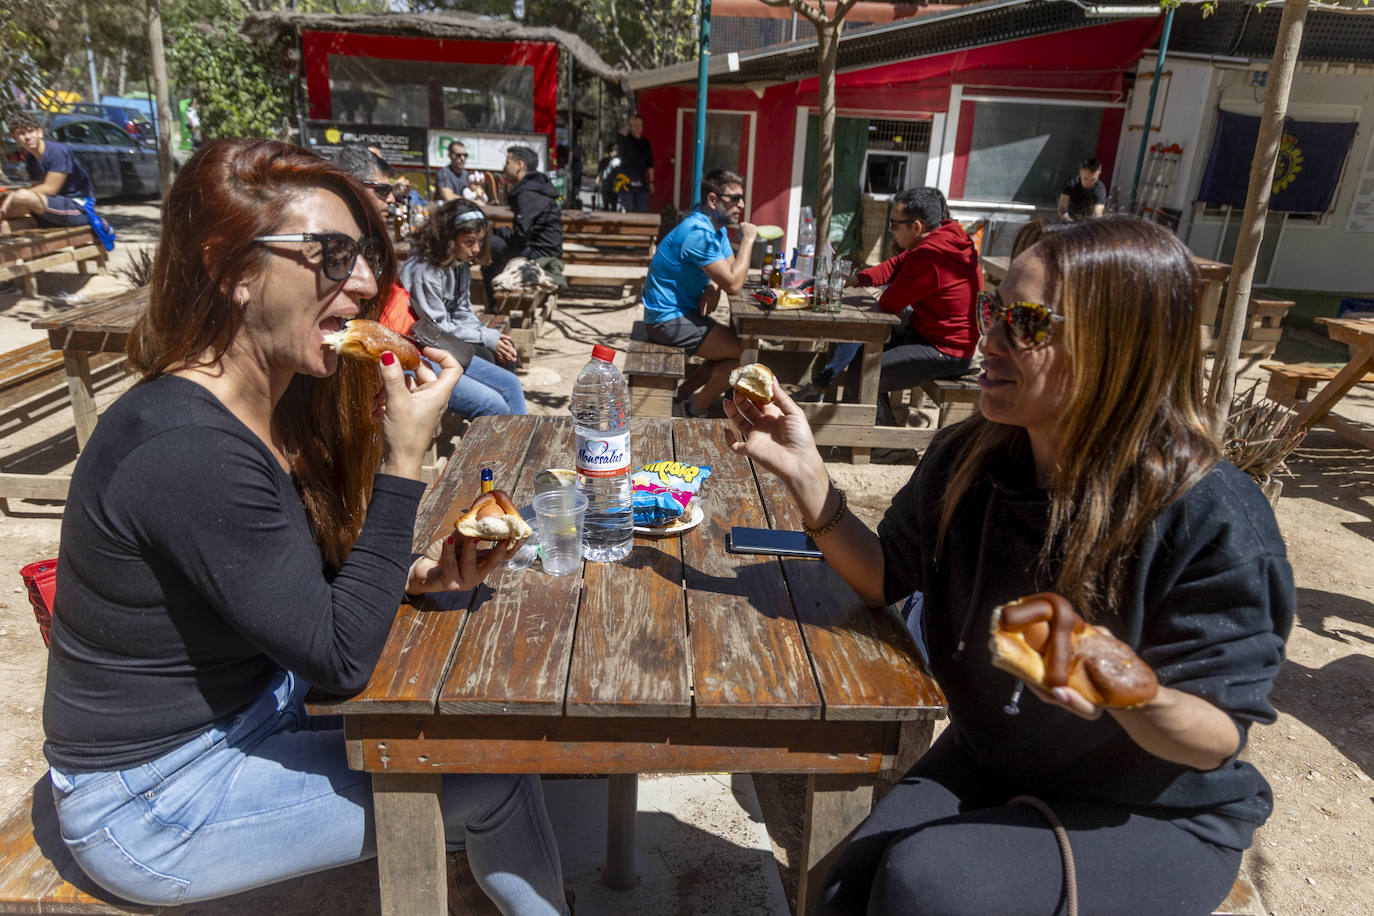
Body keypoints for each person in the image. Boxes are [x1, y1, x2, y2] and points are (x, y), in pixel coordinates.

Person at [41, 138, 567, 913]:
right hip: (155, 798)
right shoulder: (186, 447)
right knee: (494, 775)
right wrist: (403, 459)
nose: (360, 285)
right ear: (231, 268)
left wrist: (414, 570)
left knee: (472, 717)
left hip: (257, 704)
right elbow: (340, 657)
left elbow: (296, 590)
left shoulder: (270, 406)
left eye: (362, 258)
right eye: (328, 256)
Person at [724, 216, 1294, 915]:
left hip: (1152, 811)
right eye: (996, 310)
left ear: (1119, 343)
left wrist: (1131, 690)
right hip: (994, 759)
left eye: (1026, 322)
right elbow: (882, 577)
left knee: (927, 886)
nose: (987, 339)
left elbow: (1215, 741)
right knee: (839, 893)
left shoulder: (1210, 514)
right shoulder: (971, 458)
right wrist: (807, 476)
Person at [797, 187, 981, 414]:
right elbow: (895, 265)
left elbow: (888, 303)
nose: (890, 231)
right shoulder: (947, 234)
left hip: (945, 351)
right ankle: (832, 395)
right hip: (932, 336)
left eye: (894, 225)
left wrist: (867, 287)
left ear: (916, 227)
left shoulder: (931, 255)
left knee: (863, 374)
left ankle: (884, 447)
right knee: (861, 352)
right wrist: (853, 280)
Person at [641, 168, 756, 418]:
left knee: (735, 350)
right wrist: (747, 240)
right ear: (713, 200)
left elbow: (729, 270)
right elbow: (735, 284)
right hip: (666, 320)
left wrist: (713, 285)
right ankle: (696, 408)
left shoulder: (715, 228)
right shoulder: (698, 233)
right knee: (746, 354)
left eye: (742, 198)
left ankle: (684, 396)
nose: (742, 205)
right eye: (734, 198)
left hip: (679, 313)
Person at [399, 199, 527, 418]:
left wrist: (488, 334)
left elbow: (462, 311)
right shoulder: (424, 271)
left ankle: (520, 441)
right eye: (469, 242)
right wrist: (486, 338)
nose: (476, 249)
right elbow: (435, 329)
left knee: (507, 368)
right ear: (449, 238)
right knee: (489, 364)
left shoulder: (458, 263)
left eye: (479, 241)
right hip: (423, 348)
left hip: (443, 340)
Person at [1, 111, 96, 234]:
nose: (27, 137)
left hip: (77, 208)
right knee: (4, 226)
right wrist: (9, 198)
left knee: (22, 196)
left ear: (39, 132)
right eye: (21, 133)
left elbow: (50, 189)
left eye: (30, 131)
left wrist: (13, 196)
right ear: (14, 137)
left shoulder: (58, 152)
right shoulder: (31, 158)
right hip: (50, 210)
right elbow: (37, 189)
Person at [488, 146, 565, 290]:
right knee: (494, 248)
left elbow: (520, 236)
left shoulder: (527, 193)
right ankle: (494, 300)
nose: (504, 167)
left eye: (507, 162)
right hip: (550, 251)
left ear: (519, 165)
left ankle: (493, 304)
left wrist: (498, 230)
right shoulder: (537, 186)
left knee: (489, 243)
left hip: (541, 255)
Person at [615, 114, 654, 213]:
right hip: (626, 183)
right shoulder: (625, 140)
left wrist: (651, 182)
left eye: (639, 125)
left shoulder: (645, 143)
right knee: (629, 211)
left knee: (643, 211)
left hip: (640, 183)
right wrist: (629, 124)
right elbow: (620, 135)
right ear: (631, 126)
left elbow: (650, 164)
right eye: (634, 125)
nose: (637, 128)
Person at [1058, 157, 1107, 222]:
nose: (1089, 183)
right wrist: (1069, 221)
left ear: (1099, 174)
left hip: (1087, 223)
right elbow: (1062, 208)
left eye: (1093, 179)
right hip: (1068, 219)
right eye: (1085, 178)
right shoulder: (1071, 183)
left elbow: (1097, 214)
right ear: (1080, 172)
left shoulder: (1100, 189)